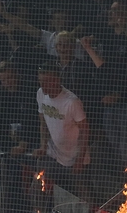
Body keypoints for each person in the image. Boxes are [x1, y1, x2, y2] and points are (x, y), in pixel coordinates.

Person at [35, 62, 90, 197]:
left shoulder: (71, 102)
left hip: (74, 158)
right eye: (41, 81)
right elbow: (43, 123)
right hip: (53, 155)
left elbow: (85, 131)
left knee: (81, 198)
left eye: (46, 81)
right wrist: (43, 146)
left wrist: (79, 160)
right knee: (40, 192)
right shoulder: (41, 94)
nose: (43, 85)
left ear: (56, 80)